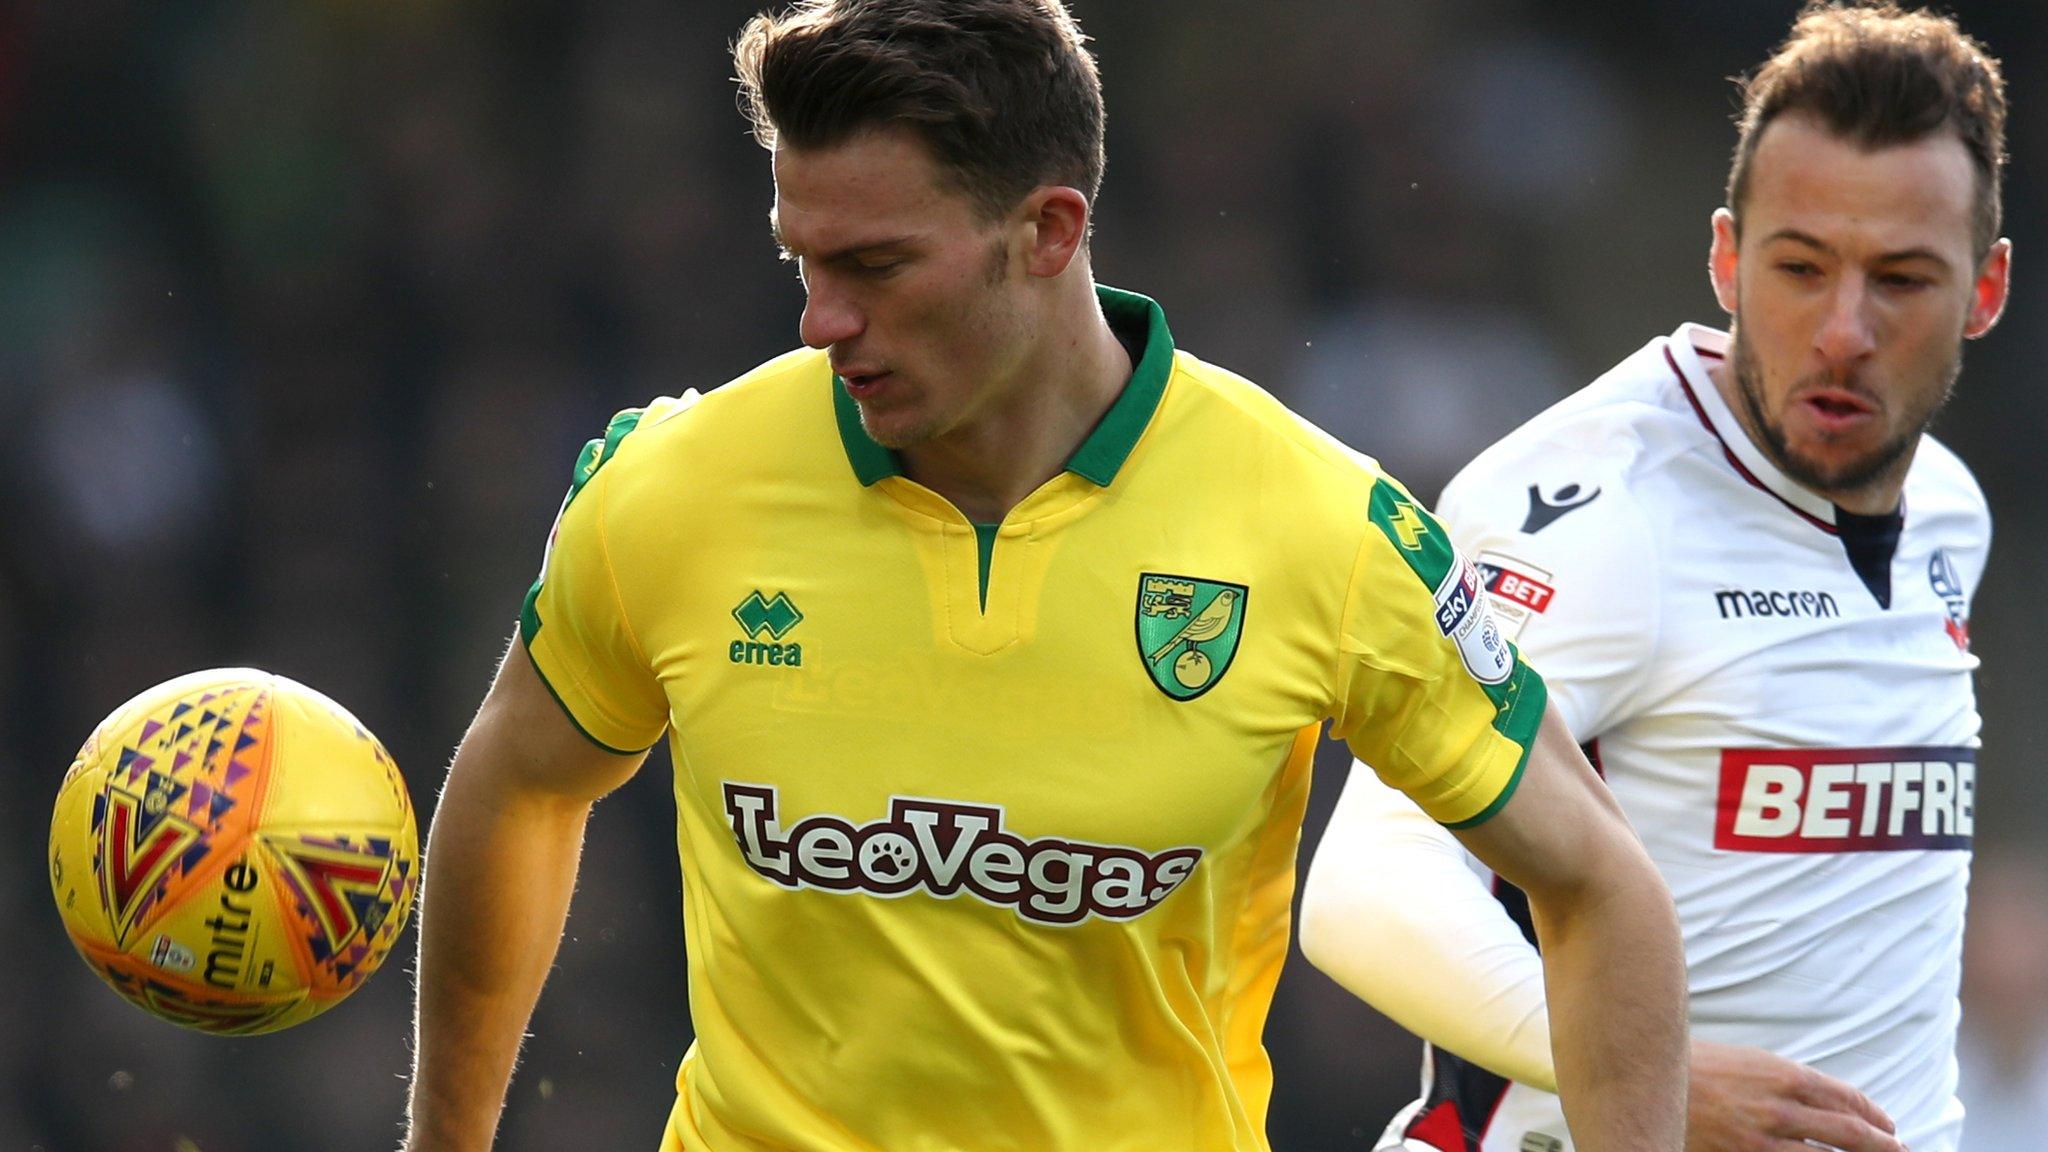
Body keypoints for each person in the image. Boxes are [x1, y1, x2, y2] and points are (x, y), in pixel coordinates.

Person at [400, 2, 1687, 1150]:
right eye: (802, 259)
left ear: (1048, 231)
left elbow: (1597, 885)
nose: (818, 320)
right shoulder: (674, 488)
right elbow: (515, 786)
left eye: (874, 266)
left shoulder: (1319, 527)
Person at [1299, 4, 2010, 1151]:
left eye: (1900, 280)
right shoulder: (1592, 514)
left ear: (1982, 292)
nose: (1840, 328)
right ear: (1725, 256)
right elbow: (1363, 892)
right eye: (1797, 265)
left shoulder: (1948, 513)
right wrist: (1645, 1069)